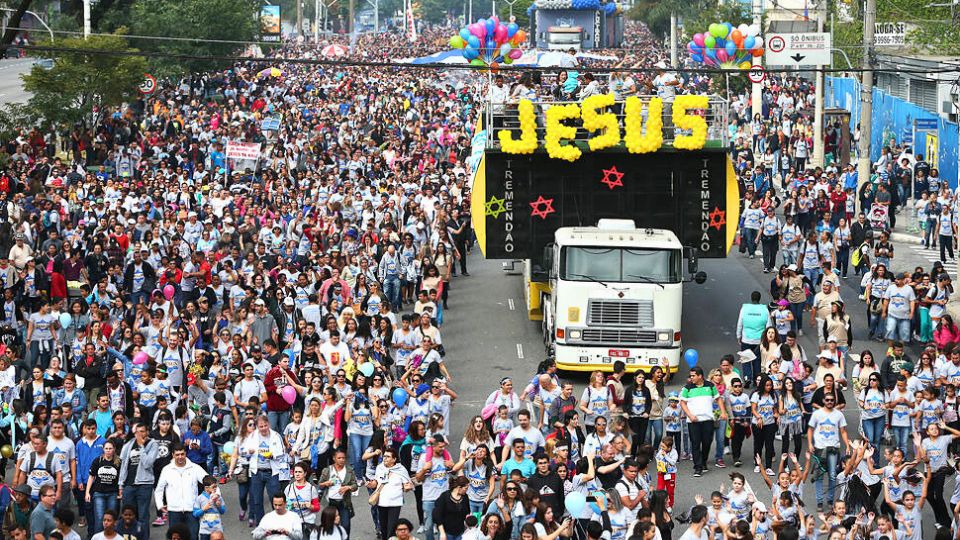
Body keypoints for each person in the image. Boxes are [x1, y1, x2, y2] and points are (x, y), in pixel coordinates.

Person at [679, 367, 726, 478]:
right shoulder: (687, 388)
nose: (691, 378)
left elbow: (718, 399)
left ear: (700, 376)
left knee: (707, 442)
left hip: (708, 420)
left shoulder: (710, 386)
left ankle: (703, 461)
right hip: (693, 421)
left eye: (693, 376)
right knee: (695, 443)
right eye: (690, 376)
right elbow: (682, 403)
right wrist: (690, 415)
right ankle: (697, 467)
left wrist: (723, 412)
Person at [154, 443, 207, 540]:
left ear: (185, 454)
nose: (180, 457)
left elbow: (208, 481)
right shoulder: (167, 470)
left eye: (182, 454)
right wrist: (160, 505)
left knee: (193, 537)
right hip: (174, 511)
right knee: (175, 538)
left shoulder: (195, 468)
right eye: (177, 455)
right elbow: (159, 489)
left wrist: (212, 497)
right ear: (173, 455)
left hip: (192, 510)